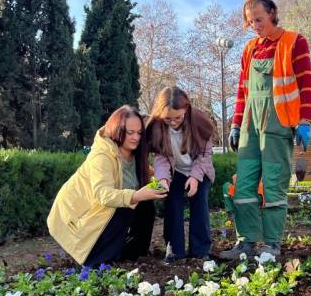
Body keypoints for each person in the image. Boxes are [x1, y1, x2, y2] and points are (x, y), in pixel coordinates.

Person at [218, 0, 311, 260]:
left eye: (259, 19)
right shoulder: (249, 49)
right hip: (250, 124)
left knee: (273, 183)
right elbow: (242, 89)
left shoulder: (294, 41)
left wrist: (305, 121)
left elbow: (306, 84)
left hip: (278, 122)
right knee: (245, 184)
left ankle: (271, 243)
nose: (255, 26)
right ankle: (246, 243)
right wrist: (236, 123)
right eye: (250, 22)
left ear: (272, 13)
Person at [47, 106, 167, 267]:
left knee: (145, 206)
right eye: (130, 132)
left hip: (102, 217)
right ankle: (99, 259)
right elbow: (103, 195)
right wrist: (137, 196)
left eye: (139, 133)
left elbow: (144, 181)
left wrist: (160, 185)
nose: (135, 137)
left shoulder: (135, 155)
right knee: (128, 205)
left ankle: (134, 255)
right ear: (117, 130)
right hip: (78, 223)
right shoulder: (102, 155)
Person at [146, 86, 216, 263]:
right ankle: (174, 250)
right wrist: (163, 179)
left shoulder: (200, 123)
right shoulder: (157, 127)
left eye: (178, 117)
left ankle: (200, 251)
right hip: (175, 172)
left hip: (200, 170)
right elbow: (160, 156)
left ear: (186, 109)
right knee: (172, 201)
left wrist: (195, 177)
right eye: (168, 119)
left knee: (199, 200)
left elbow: (205, 155)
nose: (173, 122)